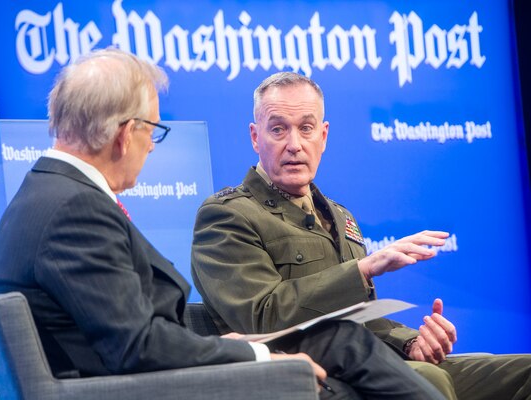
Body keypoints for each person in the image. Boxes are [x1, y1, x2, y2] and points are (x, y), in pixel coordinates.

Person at [0, 49, 445, 399]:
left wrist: (231, 343)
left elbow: (127, 328)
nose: (152, 147)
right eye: (153, 131)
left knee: (340, 342)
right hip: (142, 389)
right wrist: (254, 353)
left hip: (146, 378)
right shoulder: (72, 211)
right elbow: (136, 347)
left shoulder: (48, 194)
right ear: (126, 135)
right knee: (339, 353)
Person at [191, 71, 531, 400]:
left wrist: (411, 343)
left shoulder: (340, 216)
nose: (294, 144)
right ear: (255, 136)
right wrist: (361, 271)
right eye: (279, 129)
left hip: (374, 363)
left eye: (306, 128)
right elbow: (261, 317)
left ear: (323, 136)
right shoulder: (227, 215)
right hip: (305, 375)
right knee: (430, 379)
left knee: (523, 372)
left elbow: (361, 320)